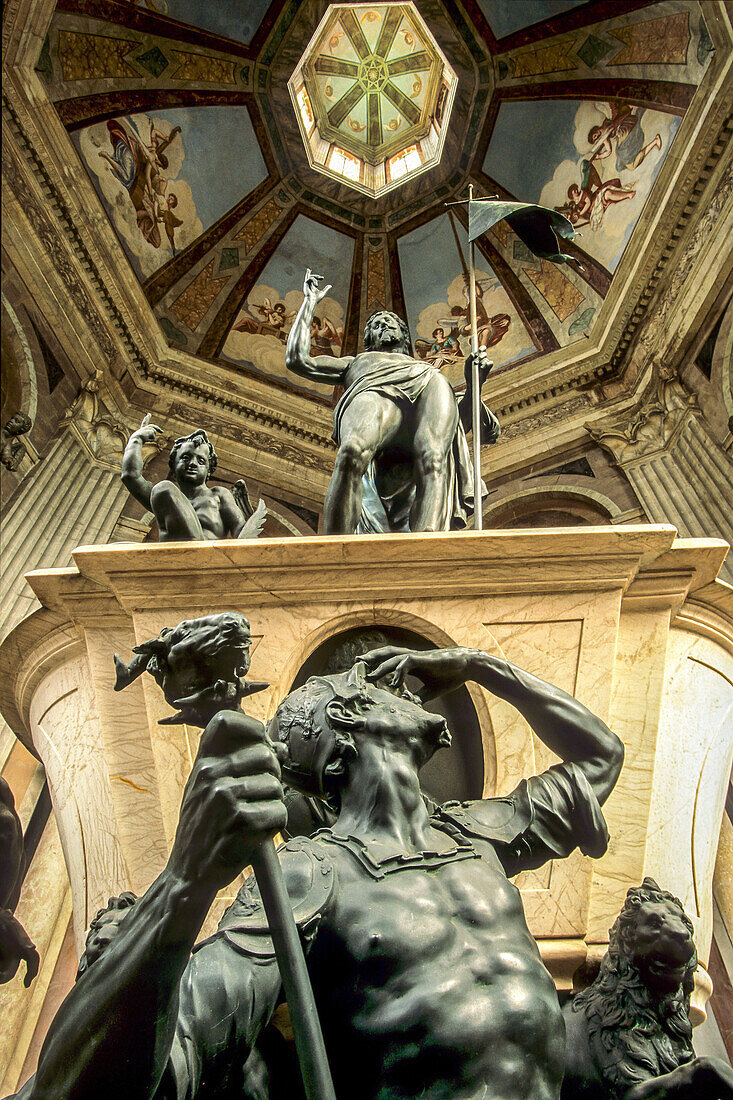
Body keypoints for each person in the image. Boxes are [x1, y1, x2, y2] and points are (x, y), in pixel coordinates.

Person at [24, 643, 624, 1100]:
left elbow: (601, 758)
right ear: (351, 714)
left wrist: (481, 666)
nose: (414, 688)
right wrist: (186, 880)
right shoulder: (308, 874)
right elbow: (164, 1057)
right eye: (388, 686)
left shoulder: (473, 832)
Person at [285, 269, 499, 533]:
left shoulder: (428, 368)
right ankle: (335, 553)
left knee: (433, 458)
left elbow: (465, 422)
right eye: (376, 325)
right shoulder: (356, 363)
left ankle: (426, 547)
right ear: (369, 340)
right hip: (374, 387)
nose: (383, 325)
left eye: (389, 322)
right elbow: (298, 360)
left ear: (404, 334)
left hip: (427, 382)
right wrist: (309, 303)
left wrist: (474, 382)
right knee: (351, 452)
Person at [121, 422, 265, 541]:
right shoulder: (165, 499)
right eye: (185, 458)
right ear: (173, 465)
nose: (193, 463)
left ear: (209, 470)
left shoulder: (218, 495)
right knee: (120, 547)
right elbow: (130, 476)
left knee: (164, 488)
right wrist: (136, 440)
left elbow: (241, 533)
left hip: (204, 558)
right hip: (172, 558)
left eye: (201, 460)